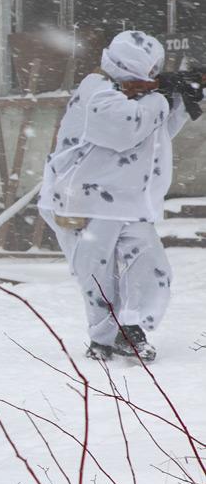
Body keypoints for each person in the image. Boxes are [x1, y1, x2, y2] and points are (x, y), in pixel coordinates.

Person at [39, 30, 201, 362]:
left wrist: (182, 99)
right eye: (152, 71)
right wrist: (163, 96)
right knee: (97, 275)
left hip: (125, 202)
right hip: (81, 201)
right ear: (133, 66)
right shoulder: (97, 91)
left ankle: (130, 326)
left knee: (151, 268)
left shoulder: (129, 94)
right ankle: (105, 339)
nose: (155, 77)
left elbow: (155, 134)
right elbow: (128, 129)